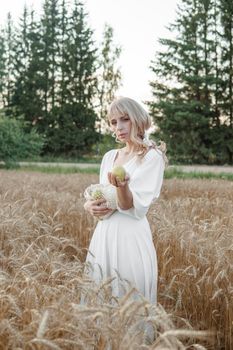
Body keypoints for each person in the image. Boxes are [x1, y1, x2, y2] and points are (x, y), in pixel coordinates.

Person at [83, 96, 166, 305]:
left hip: (130, 238)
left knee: (130, 302)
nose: (118, 127)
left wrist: (123, 186)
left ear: (137, 119)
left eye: (125, 119)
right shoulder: (109, 157)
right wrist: (89, 205)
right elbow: (100, 194)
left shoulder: (151, 157)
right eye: (113, 122)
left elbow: (131, 206)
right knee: (100, 298)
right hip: (104, 236)